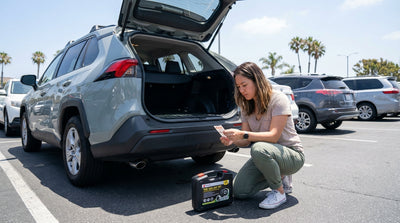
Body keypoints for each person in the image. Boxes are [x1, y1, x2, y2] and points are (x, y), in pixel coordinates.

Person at [220, 62, 305, 209]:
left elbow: (273, 136)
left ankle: (279, 192)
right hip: (266, 154)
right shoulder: (246, 106)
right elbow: (245, 142)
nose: (241, 90)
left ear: (257, 80)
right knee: (239, 191)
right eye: (238, 87)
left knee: (258, 149)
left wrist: (244, 134)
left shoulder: (278, 99)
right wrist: (233, 140)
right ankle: (279, 177)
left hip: (292, 155)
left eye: (244, 85)